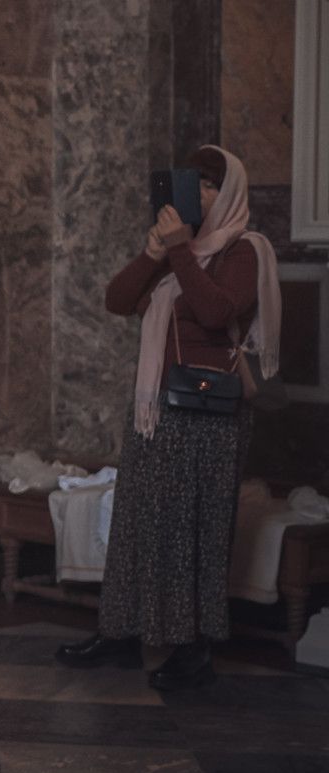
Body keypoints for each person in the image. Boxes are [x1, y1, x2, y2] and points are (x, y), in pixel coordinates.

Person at [57, 145, 281, 691]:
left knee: (193, 531)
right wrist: (156, 252)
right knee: (136, 522)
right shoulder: (183, 250)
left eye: (209, 184)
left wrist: (180, 250)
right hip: (157, 414)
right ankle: (119, 633)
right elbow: (117, 299)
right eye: (194, 182)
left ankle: (193, 647)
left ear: (228, 192)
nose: (198, 193)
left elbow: (215, 311)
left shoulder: (245, 250)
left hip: (208, 418)